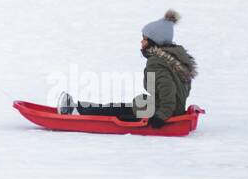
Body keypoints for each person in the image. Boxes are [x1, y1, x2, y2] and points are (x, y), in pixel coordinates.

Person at [57, 10, 197, 127]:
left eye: (145, 39)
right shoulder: (175, 59)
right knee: (123, 107)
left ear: (154, 41)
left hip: (160, 113)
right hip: (168, 110)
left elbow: (168, 91)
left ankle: (77, 111)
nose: (141, 42)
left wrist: (160, 117)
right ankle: (79, 108)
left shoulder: (157, 63)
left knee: (117, 111)